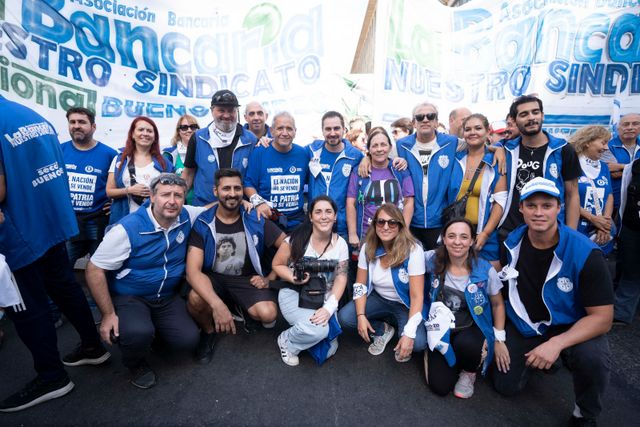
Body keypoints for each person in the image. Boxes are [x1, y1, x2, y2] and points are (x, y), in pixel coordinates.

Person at [0, 96, 109, 412]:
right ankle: (92, 346)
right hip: (51, 222)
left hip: (19, 232)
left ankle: (52, 376)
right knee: (65, 287)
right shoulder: (30, 115)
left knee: (27, 307)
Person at [492, 177, 613, 426]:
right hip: (529, 324)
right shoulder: (511, 242)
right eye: (531, 205)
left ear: (559, 208)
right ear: (521, 208)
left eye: (546, 206)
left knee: (593, 359)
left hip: (572, 325)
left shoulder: (585, 252)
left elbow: (603, 319)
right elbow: (496, 276)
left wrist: (557, 343)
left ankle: (584, 413)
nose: (539, 213)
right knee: (505, 386)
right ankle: (547, 361)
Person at [86, 174, 203, 389]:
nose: (172, 201)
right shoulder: (127, 228)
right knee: (137, 333)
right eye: (165, 195)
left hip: (166, 296)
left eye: (178, 196)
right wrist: (108, 314)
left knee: (188, 340)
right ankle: (135, 363)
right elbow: (94, 270)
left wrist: (245, 203)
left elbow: (214, 210)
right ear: (152, 197)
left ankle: (154, 333)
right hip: (131, 296)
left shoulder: (187, 215)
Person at [186, 169, 286, 364]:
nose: (232, 193)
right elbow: (192, 271)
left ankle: (237, 305)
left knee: (268, 314)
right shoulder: (203, 222)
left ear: (242, 191)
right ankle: (208, 331)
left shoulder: (254, 216)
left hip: (245, 279)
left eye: (237, 188)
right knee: (196, 299)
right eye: (226, 189)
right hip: (213, 278)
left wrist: (270, 278)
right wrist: (217, 305)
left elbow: (288, 244)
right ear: (216, 191)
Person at [424, 218, 508, 399]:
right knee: (440, 387)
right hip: (440, 328)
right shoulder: (431, 259)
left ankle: (469, 371)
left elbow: (498, 304)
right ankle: (436, 352)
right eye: (451, 236)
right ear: (444, 239)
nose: (457, 242)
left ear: (472, 241)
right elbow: (407, 254)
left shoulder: (485, 270)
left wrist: (499, 338)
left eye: (464, 237)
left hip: (470, 327)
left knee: (468, 346)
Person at [338, 204, 427, 362]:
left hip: (405, 304)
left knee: (418, 343)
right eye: (381, 222)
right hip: (379, 298)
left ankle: (400, 326)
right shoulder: (368, 247)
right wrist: (360, 315)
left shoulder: (413, 250)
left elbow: (417, 296)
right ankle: (383, 328)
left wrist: (409, 333)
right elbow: (360, 285)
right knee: (346, 318)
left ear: (400, 226)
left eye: (392, 223)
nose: (386, 227)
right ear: (375, 225)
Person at [498, 95, 582, 256]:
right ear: (514, 120)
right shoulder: (506, 149)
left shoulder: (564, 150)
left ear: (542, 115)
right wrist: (496, 149)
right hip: (509, 231)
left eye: (535, 112)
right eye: (524, 114)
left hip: (550, 233)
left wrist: (570, 236)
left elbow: (572, 195)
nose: (531, 118)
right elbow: (481, 146)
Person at [272, 196, 349, 366]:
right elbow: (277, 264)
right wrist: (293, 277)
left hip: (324, 297)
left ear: (335, 216)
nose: (324, 216)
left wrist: (329, 308)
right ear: (311, 217)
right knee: (318, 332)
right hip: (296, 293)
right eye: (318, 212)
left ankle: (306, 333)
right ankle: (287, 341)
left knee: (328, 349)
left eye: (328, 212)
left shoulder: (341, 244)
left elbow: (341, 277)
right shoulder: (295, 239)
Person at [396, 102, 459, 250]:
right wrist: (366, 159)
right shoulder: (401, 145)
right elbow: (380, 157)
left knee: (437, 263)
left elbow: (477, 145)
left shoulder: (452, 143)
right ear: (414, 123)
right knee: (412, 262)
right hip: (411, 221)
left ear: (436, 122)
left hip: (439, 221)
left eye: (430, 116)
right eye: (420, 117)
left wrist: (497, 150)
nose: (425, 120)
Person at [446, 114, 507, 266]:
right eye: (468, 129)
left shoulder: (495, 160)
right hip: (456, 235)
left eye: (478, 128)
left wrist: (485, 233)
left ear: (488, 132)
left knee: (490, 276)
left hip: (484, 233)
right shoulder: (455, 158)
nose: (472, 132)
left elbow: (500, 202)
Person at [61, 107, 118, 265]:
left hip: (97, 222)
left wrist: (115, 203)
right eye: (72, 122)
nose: (76, 126)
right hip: (69, 223)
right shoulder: (59, 150)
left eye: (82, 122)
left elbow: (119, 185)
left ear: (93, 127)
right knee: (62, 268)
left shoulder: (110, 154)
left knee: (99, 268)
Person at [181, 90, 258, 206]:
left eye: (231, 111)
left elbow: (255, 177)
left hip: (237, 207)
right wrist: (178, 200)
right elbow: (188, 174)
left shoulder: (251, 140)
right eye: (221, 110)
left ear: (237, 111)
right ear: (212, 110)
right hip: (204, 208)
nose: (226, 115)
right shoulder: (198, 138)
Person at [346, 127, 414, 247]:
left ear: (390, 147)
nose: (379, 149)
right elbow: (351, 203)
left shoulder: (400, 170)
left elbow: (409, 202)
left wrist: (404, 231)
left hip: (395, 235)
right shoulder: (359, 171)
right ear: (369, 149)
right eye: (374, 145)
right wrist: (352, 233)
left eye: (383, 144)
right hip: (367, 235)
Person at [244, 112, 309, 232]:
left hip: (297, 220)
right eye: (280, 128)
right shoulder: (259, 152)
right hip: (269, 219)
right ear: (272, 131)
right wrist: (259, 203)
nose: (285, 133)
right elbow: (248, 184)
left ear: (295, 131)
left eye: (289, 129)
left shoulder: (303, 153)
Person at [307, 111, 365, 240]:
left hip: (342, 227)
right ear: (322, 131)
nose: (332, 133)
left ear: (344, 129)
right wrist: (265, 140)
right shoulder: (311, 151)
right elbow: (288, 149)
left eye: (336, 128)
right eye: (328, 129)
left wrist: (369, 158)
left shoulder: (356, 156)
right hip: (314, 225)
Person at [107, 116, 173, 224]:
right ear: (133, 134)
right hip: (123, 220)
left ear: (155, 137)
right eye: (141, 129)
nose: (145, 133)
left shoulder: (164, 163)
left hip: (155, 221)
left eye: (149, 131)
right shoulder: (120, 159)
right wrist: (129, 190)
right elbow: (109, 191)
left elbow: (172, 191)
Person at [569, 126, 615, 254]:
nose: (606, 148)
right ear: (588, 142)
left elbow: (609, 196)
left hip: (600, 232)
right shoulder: (571, 163)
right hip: (577, 228)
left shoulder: (604, 167)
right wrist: (592, 218)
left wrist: (605, 224)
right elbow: (566, 198)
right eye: (603, 143)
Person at [614, 157, 640, 325]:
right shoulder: (634, 167)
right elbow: (624, 199)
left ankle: (622, 312)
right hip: (632, 228)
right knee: (629, 269)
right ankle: (621, 312)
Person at [603, 113, 640, 214]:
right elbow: (609, 171)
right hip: (613, 204)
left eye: (635, 124)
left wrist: (621, 167)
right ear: (618, 128)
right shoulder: (607, 146)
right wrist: (637, 170)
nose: (630, 127)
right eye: (626, 124)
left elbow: (616, 171)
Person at [163, 114, 199, 204]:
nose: (189, 130)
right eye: (184, 127)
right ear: (178, 131)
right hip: (178, 204)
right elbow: (164, 183)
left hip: (202, 204)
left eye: (193, 127)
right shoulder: (169, 154)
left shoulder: (206, 151)